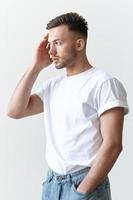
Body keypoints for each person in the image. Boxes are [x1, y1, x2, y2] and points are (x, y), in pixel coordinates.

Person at [7, 12, 129, 200]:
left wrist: (82, 190)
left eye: (58, 43)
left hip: (84, 185)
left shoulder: (104, 83)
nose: (51, 51)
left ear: (79, 44)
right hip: (51, 184)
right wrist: (36, 66)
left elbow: (113, 145)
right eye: (50, 44)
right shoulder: (52, 87)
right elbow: (15, 111)